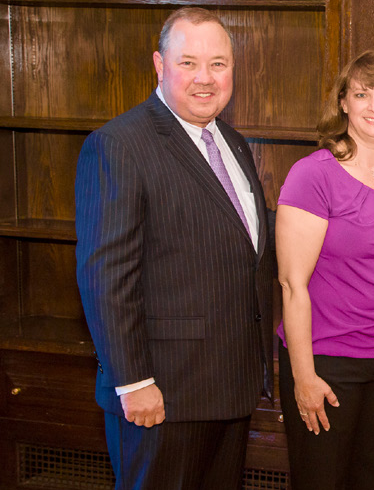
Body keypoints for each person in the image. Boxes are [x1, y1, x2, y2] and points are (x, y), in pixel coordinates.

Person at [74, 7, 274, 488]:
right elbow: (106, 275)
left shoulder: (232, 140)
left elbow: (242, 255)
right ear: (160, 67)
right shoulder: (119, 144)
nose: (205, 78)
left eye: (219, 64)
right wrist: (134, 382)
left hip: (230, 385)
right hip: (162, 395)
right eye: (188, 63)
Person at [275, 49, 374, 489]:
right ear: (344, 103)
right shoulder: (313, 175)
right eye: (362, 94)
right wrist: (304, 377)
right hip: (326, 362)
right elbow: (291, 285)